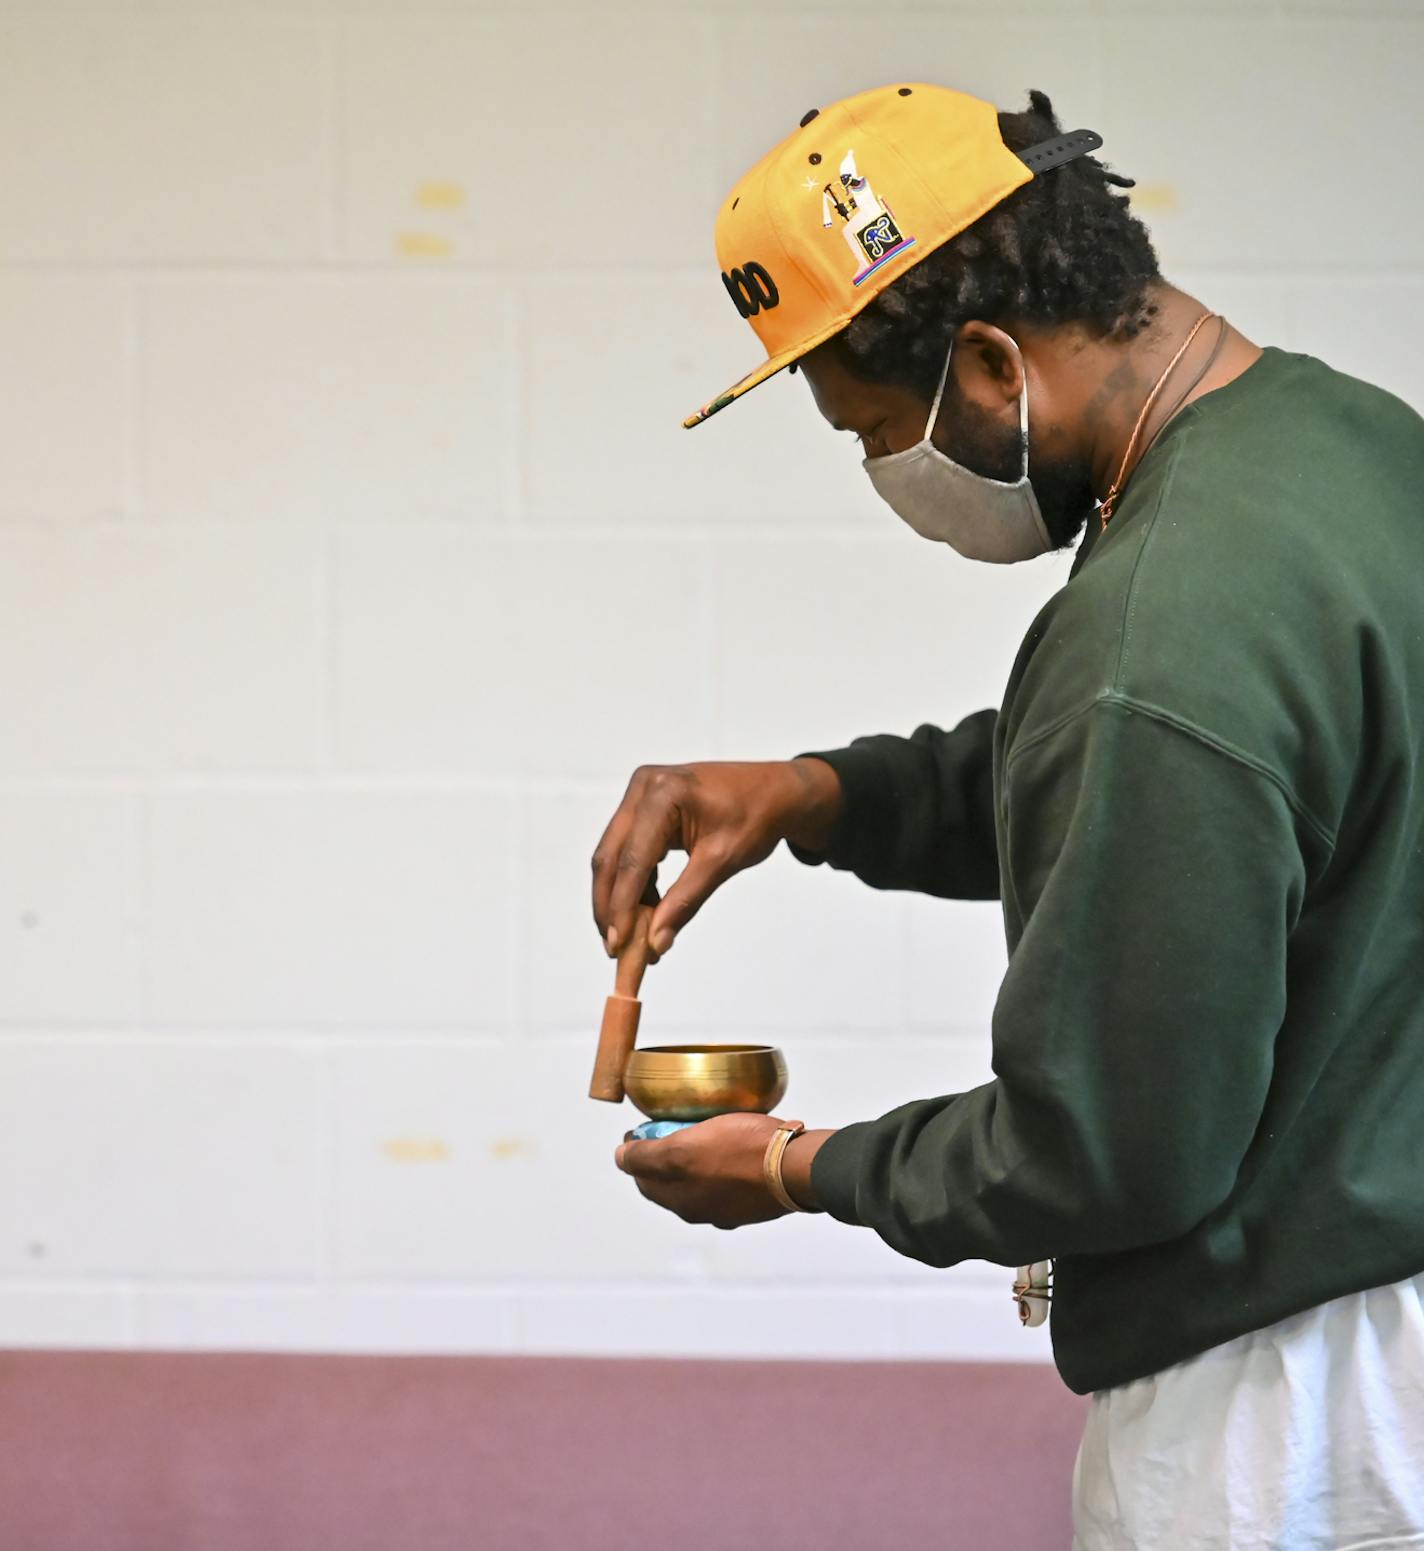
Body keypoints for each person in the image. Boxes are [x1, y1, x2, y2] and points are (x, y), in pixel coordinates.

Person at [595, 83, 1424, 1550]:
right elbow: (1182, 790)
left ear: (987, 362)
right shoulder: (1354, 449)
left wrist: (799, 1165)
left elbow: (1105, 1146)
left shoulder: (1157, 633)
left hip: (1292, 1411)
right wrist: (820, 792)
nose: (882, 477)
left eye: (870, 432)